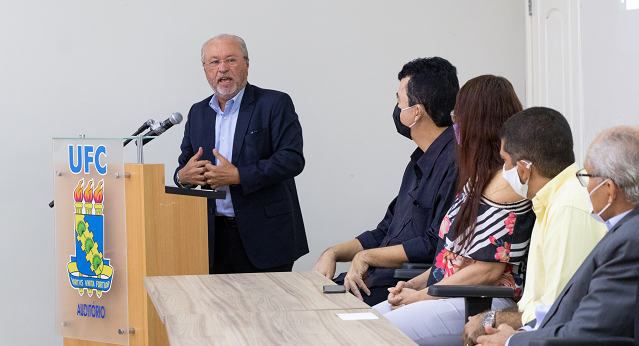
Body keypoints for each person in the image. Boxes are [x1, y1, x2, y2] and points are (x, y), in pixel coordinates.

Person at [371, 75, 536, 346]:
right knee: (364, 321)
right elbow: (450, 258)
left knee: (376, 334)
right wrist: (414, 285)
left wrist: (423, 296)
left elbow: (486, 272)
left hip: (480, 300)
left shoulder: (509, 183)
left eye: (458, 116)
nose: (455, 124)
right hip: (447, 292)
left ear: (477, 121)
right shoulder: (477, 178)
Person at [312, 57, 460, 306]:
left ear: (416, 112)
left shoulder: (455, 164)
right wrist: (334, 252)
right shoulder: (418, 161)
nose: (396, 109)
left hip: (398, 286)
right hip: (372, 279)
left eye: (399, 101)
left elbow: (434, 244)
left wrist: (367, 257)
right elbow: (385, 231)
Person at [473, 126, 639, 346]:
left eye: (587, 176)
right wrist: (520, 335)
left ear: (609, 189)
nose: (585, 185)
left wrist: (511, 341)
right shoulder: (624, 231)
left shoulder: (628, 240)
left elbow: (589, 331)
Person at [174, 34, 308, 274]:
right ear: (205, 69)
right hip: (211, 239)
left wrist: (238, 175)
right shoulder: (198, 112)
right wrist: (182, 177)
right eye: (214, 62)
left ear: (246, 63)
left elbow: (291, 159)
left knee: (267, 310)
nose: (222, 68)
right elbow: (185, 165)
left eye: (230, 60)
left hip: (266, 236)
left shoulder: (274, 103)